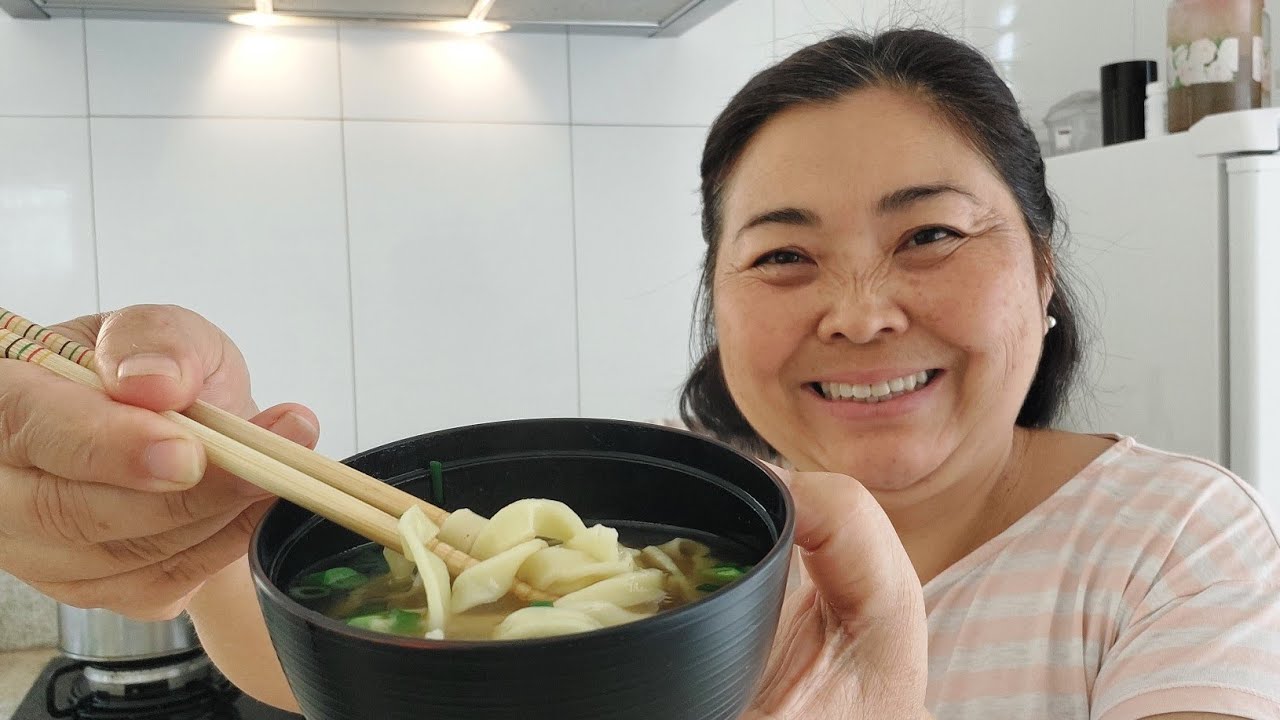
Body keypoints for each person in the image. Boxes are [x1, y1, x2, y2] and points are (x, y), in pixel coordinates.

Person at [1, 28, 1277, 720]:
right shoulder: (673, 543)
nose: (858, 312)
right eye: (783, 256)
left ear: (1040, 273)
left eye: (929, 236)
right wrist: (162, 486)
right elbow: (286, 628)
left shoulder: (1172, 539)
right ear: (717, 306)